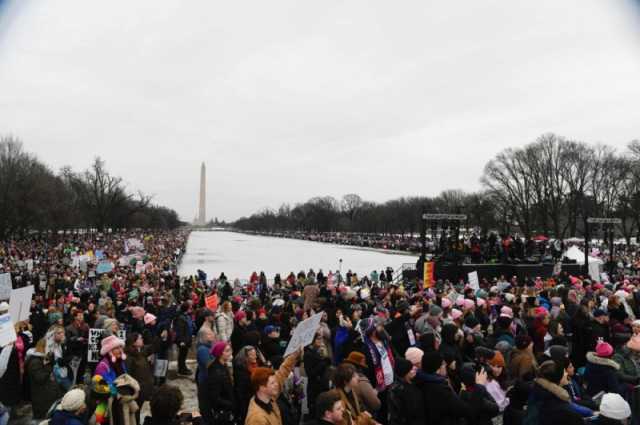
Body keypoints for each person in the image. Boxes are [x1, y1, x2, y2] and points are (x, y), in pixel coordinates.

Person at [244, 348, 301, 425]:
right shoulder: (257, 418)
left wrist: (294, 355)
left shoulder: (268, 396)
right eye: (272, 383)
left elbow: (282, 371)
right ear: (261, 387)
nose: (276, 384)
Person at [26, 326, 68, 421]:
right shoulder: (35, 361)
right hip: (42, 401)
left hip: (48, 397)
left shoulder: (43, 359)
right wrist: (49, 366)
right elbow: (40, 378)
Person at [420, 350, 474, 425]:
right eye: (442, 364)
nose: (445, 365)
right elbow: (462, 409)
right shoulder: (440, 388)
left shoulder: (425, 381)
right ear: (437, 369)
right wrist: (464, 393)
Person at [524, 360, 583, 425]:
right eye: (564, 373)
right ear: (558, 379)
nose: (566, 374)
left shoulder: (537, 390)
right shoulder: (561, 407)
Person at [124, 333, 154, 425]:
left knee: (138, 411)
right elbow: (128, 375)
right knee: (135, 412)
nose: (142, 339)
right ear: (134, 342)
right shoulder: (129, 357)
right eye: (140, 338)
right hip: (136, 390)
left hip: (143, 388)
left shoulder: (140, 353)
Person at [205, 341, 236, 425]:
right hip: (222, 412)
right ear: (220, 354)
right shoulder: (216, 372)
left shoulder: (223, 365)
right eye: (227, 350)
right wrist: (232, 405)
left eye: (230, 350)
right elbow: (215, 398)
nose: (230, 352)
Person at [304, 333, 333, 419]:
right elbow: (311, 373)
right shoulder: (308, 354)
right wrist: (324, 362)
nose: (321, 341)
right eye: (318, 339)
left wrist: (325, 358)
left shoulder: (318, 351)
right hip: (315, 388)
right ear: (312, 341)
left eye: (321, 339)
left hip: (322, 385)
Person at [387, 358, 424, 425]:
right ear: (405, 372)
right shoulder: (403, 390)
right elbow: (412, 412)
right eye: (411, 369)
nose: (414, 369)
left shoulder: (398, 385)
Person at [174, 302, 194, 376]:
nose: (191, 308)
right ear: (187, 308)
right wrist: (182, 341)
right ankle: (181, 369)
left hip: (187, 339)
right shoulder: (181, 318)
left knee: (184, 355)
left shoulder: (186, 316)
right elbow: (180, 330)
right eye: (190, 307)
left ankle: (183, 367)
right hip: (183, 341)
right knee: (182, 355)